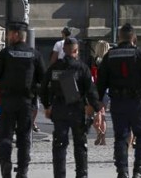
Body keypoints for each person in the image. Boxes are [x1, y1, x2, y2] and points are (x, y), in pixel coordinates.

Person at [97, 23, 141, 178]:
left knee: (121, 136)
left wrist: (97, 103)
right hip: (137, 102)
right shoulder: (140, 55)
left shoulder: (109, 56)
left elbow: (101, 82)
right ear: (134, 38)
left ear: (119, 38)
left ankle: (122, 171)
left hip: (118, 101)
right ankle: (139, 170)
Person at [0, 22, 46, 178]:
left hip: (7, 102)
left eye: (9, 33)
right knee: (24, 138)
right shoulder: (35, 54)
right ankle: (22, 171)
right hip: (26, 102)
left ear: (15, 35)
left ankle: (6, 164)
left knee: (5, 136)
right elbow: (44, 79)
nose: (7, 36)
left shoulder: (6, 53)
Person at [41, 38, 102, 178]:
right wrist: (96, 109)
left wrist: (47, 105)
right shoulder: (82, 68)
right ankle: (82, 175)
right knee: (80, 145)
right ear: (76, 51)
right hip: (77, 109)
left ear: (64, 50)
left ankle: (59, 175)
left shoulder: (54, 67)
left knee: (59, 146)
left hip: (59, 108)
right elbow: (91, 91)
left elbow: (43, 88)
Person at [91, 40, 111, 146]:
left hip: (97, 89)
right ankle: (102, 137)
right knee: (102, 113)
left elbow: (92, 77)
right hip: (108, 90)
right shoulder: (110, 61)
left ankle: (100, 132)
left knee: (97, 113)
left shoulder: (95, 61)